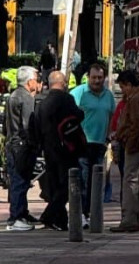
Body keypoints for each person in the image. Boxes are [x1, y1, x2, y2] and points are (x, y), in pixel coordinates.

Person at [34, 71, 86, 231]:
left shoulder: (41, 102)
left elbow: (35, 125)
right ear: (63, 83)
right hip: (66, 147)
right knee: (68, 184)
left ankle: (60, 220)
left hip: (48, 148)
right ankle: (50, 214)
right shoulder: (67, 99)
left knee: (55, 183)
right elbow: (78, 116)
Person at [71, 63, 116, 228]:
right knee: (83, 179)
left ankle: (91, 213)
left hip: (100, 144)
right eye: (94, 77)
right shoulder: (78, 93)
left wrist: (110, 133)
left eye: (100, 77)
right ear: (87, 77)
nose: (97, 81)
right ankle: (81, 213)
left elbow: (112, 115)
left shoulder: (108, 96)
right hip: (83, 144)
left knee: (95, 181)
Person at [111, 70, 139, 233]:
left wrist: (126, 140)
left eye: (123, 87)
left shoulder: (136, 99)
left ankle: (128, 219)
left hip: (135, 147)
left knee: (130, 182)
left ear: (129, 84)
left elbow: (135, 125)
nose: (122, 91)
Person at [5, 66, 42, 231]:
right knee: (20, 180)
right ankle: (16, 217)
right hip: (21, 145)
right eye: (36, 78)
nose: (38, 82)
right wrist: (34, 143)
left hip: (12, 142)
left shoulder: (13, 95)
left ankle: (22, 212)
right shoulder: (26, 97)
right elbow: (28, 124)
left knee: (19, 179)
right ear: (29, 81)